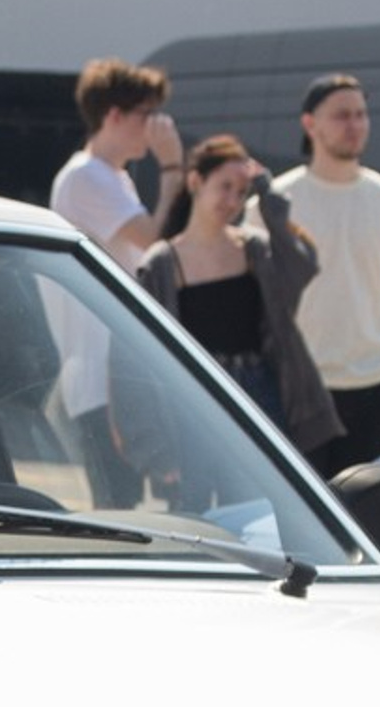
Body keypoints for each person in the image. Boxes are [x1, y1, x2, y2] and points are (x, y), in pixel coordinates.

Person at [133, 135, 340, 500]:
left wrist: (270, 200)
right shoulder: (161, 263)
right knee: (194, 512)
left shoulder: (253, 247)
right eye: (224, 187)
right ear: (195, 181)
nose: (232, 200)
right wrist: (153, 443)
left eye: (242, 191)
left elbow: (302, 268)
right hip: (194, 397)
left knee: (257, 508)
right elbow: (140, 356)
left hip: (257, 390)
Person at [270, 73, 380, 466]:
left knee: (362, 518)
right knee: (298, 518)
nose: (354, 125)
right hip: (299, 390)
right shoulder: (276, 203)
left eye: (361, 114)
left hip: (373, 388)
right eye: (341, 115)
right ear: (310, 124)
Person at [48, 58, 186, 502]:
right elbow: (156, 242)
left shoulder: (113, 178)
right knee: (117, 509)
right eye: (146, 115)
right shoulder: (86, 176)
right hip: (99, 379)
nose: (155, 127)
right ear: (114, 115)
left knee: (133, 503)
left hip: (114, 374)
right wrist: (171, 169)